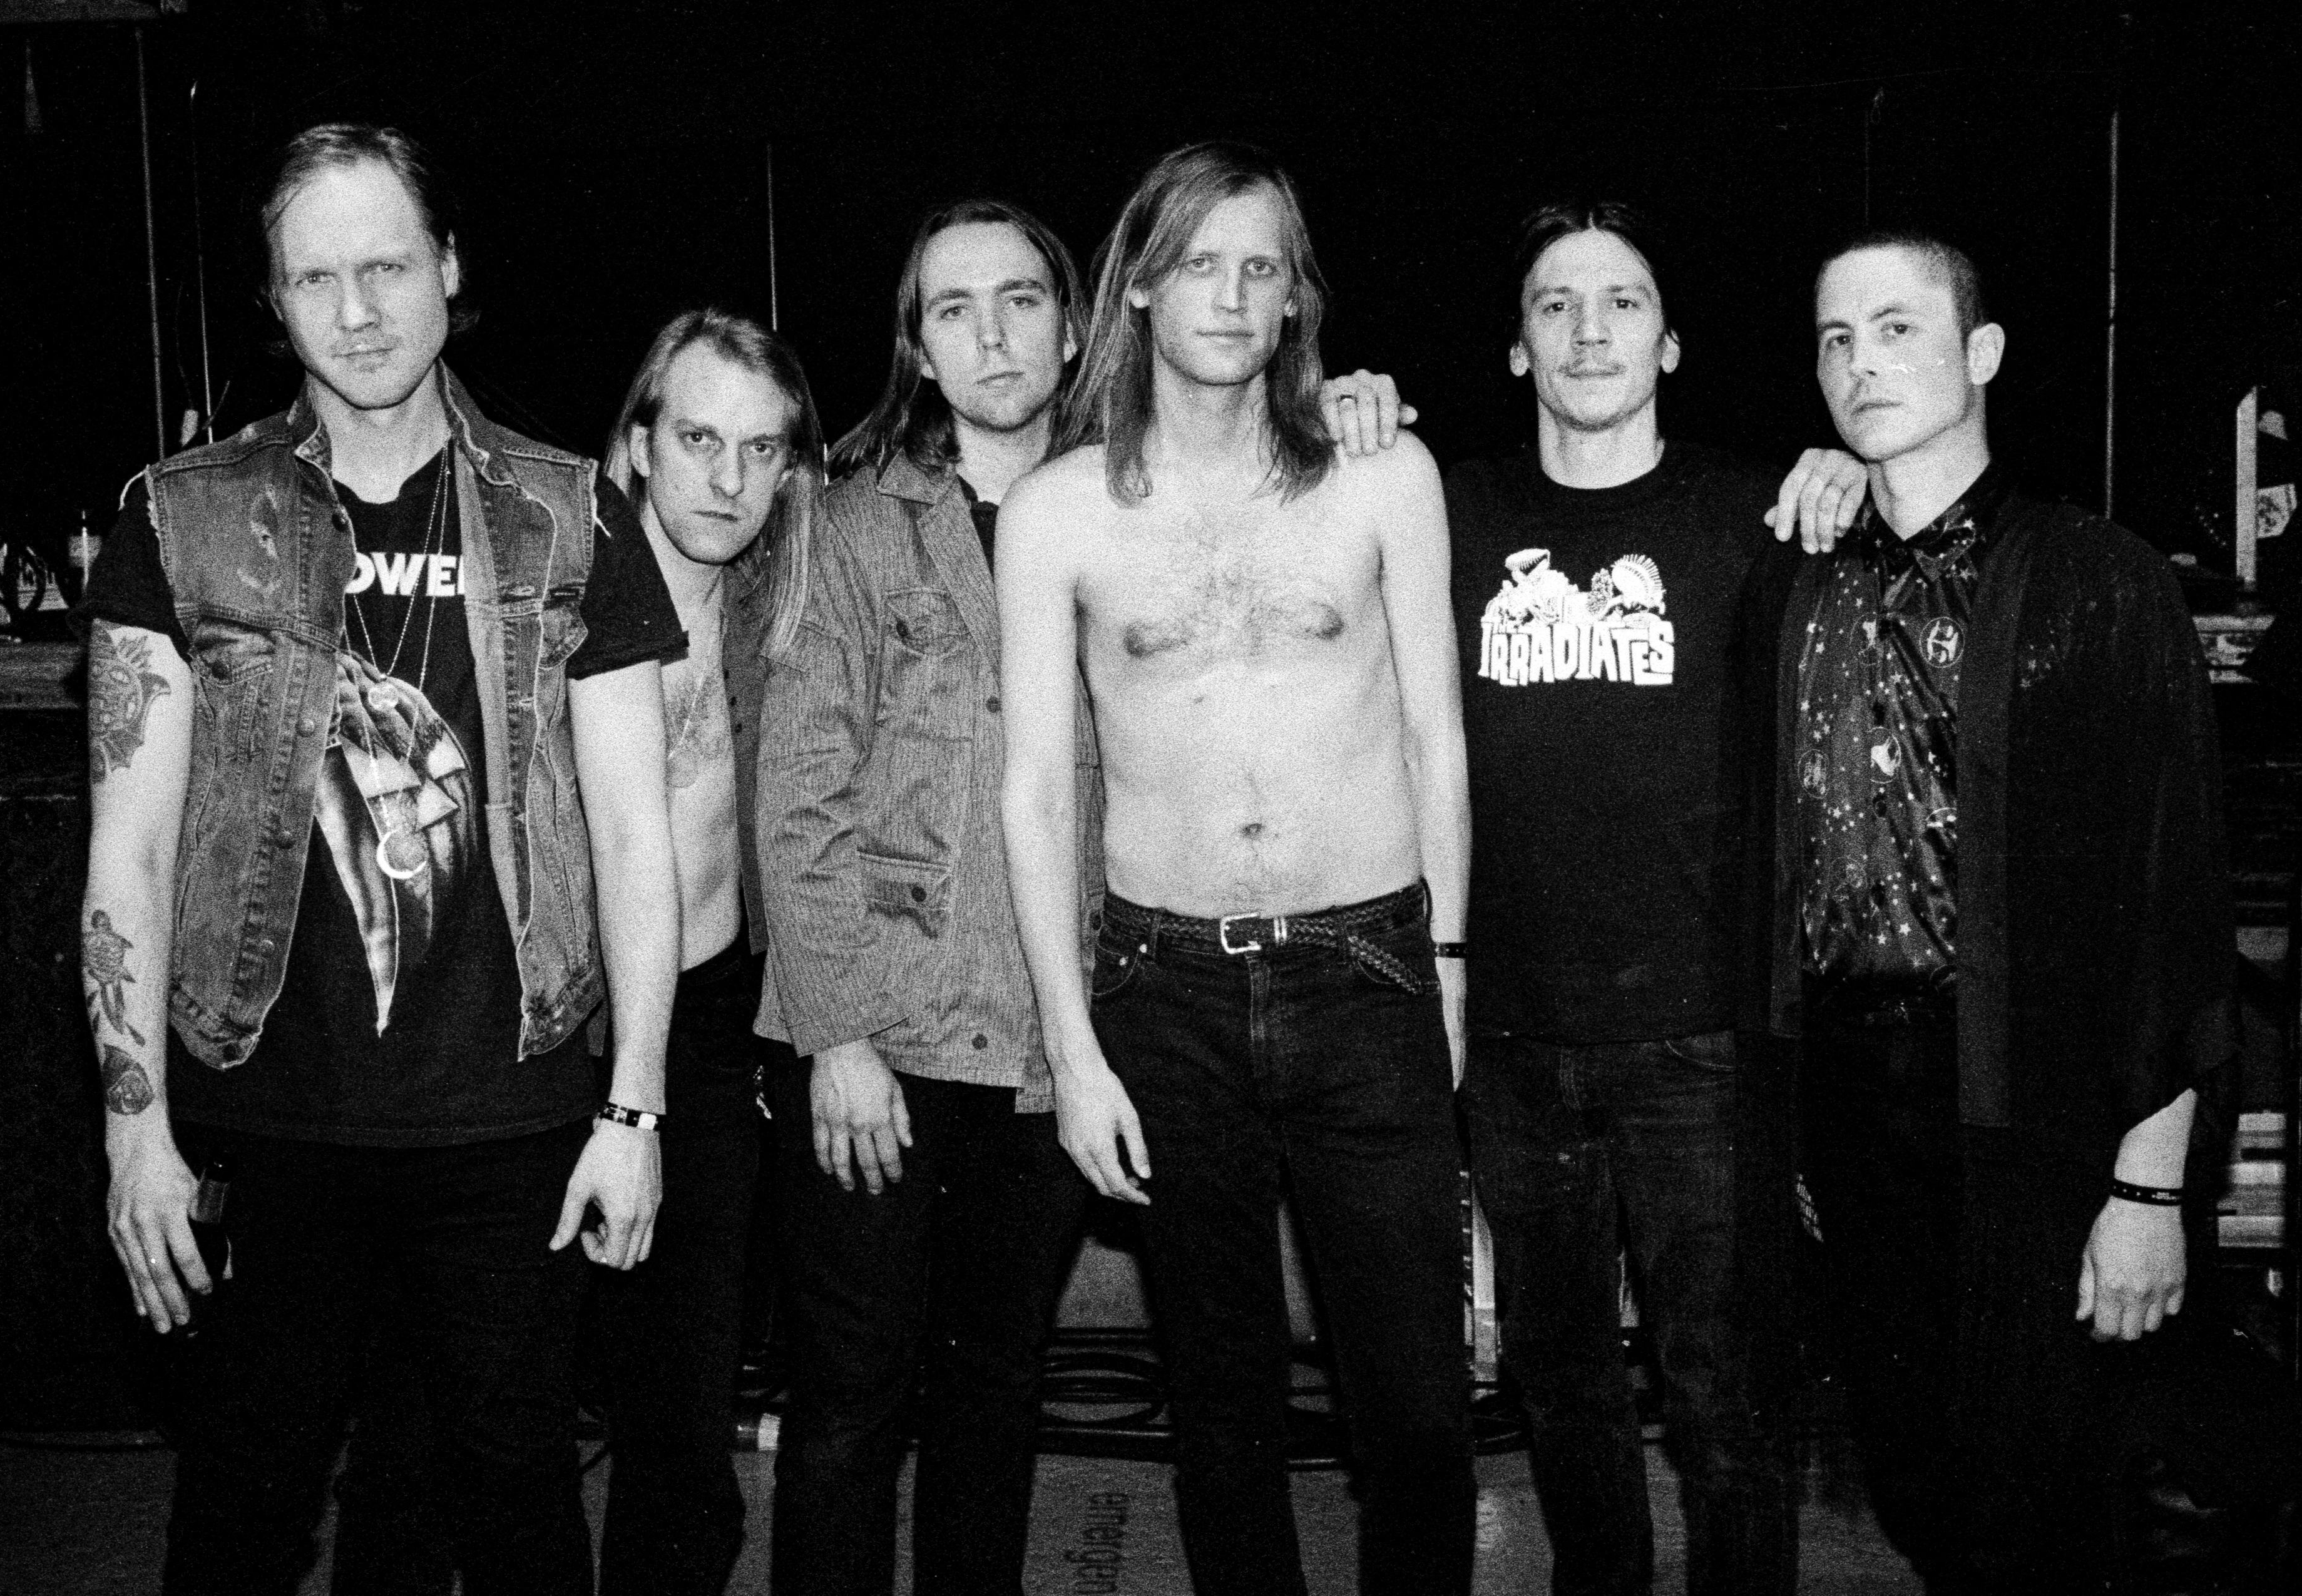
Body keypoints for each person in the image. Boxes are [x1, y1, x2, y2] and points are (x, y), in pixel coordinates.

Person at [755, 193, 1409, 1596]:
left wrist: (1347, 400)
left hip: (1065, 1037)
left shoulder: (1139, 494)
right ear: (917, 347)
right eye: (952, 310)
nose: (990, 336)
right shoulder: (850, 525)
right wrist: (834, 1033)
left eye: (1019, 301)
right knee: (851, 1402)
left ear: (1074, 323)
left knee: (994, 1390)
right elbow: (799, 793)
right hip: (889, 1032)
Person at [78, 123, 682, 1595]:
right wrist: (132, 1131)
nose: (356, 313)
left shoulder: (569, 510)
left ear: (450, 269)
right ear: (274, 301)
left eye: (388, 268)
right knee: (237, 1519)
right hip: (263, 1114)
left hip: (509, 1114)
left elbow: (633, 839)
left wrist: (635, 1108)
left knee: (521, 1519)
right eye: (316, 278)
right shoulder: (180, 516)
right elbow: (127, 851)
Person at [998, 141, 1473, 1596]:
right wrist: (1074, 1053)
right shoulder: (1057, 512)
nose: (1228, 293)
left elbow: (1435, 737)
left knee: (1416, 1412)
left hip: (1367, 971)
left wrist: (1449, 975)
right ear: (1139, 288)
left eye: (1259, 267)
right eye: (1198, 262)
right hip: (1164, 993)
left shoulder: (1383, 477)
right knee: (1219, 1414)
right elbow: (1036, 790)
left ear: (1293, 300)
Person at [1775, 230, 2238, 1593]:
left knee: (2048, 1510)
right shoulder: (1796, 576)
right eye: (1835, 338)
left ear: (1979, 352)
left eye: (1896, 329)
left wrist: (2146, 1185)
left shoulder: (2101, 580)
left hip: (2038, 1120)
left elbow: (2171, 900)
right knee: (1917, 1491)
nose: (1861, 364)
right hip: (1851, 1119)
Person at [1448, 201, 1866, 1595]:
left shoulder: (1760, 516)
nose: (1588, 331)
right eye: (1554, 305)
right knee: (1560, 1387)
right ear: (1516, 348)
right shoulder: (1448, 511)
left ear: (1670, 343)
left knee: (1726, 1399)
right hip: (1512, 1031)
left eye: (1620, 302)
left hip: (1700, 1037)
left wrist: (1850, 467)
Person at [586, 309, 821, 1593]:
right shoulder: (551, 602)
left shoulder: (778, 602)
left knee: (684, 1407)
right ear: (638, 442)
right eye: (696, 440)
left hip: (717, 1022)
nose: (727, 480)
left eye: (759, 448)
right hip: (559, 1025)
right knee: (481, 1395)